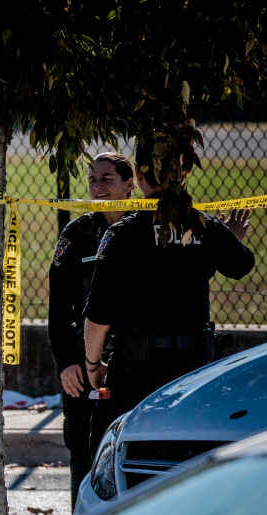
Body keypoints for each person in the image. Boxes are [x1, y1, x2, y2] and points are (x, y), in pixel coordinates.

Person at [84, 143, 255, 452]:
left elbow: (98, 315)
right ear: (185, 173)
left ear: (137, 175)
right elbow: (242, 264)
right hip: (192, 372)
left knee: (124, 453)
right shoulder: (204, 226)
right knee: (184, 458)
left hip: (136, 371)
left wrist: (93, 364)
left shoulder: (124, 233)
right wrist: (222, 239)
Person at [48, 152, 135, 509]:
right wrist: (66, 362)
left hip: (131, 362)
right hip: (83, 366)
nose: (97, 187)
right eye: (92, 179)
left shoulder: (145, 229)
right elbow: (58, 308)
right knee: (84, 452)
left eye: (107, 179)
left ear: (130, 185)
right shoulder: (78, 233)